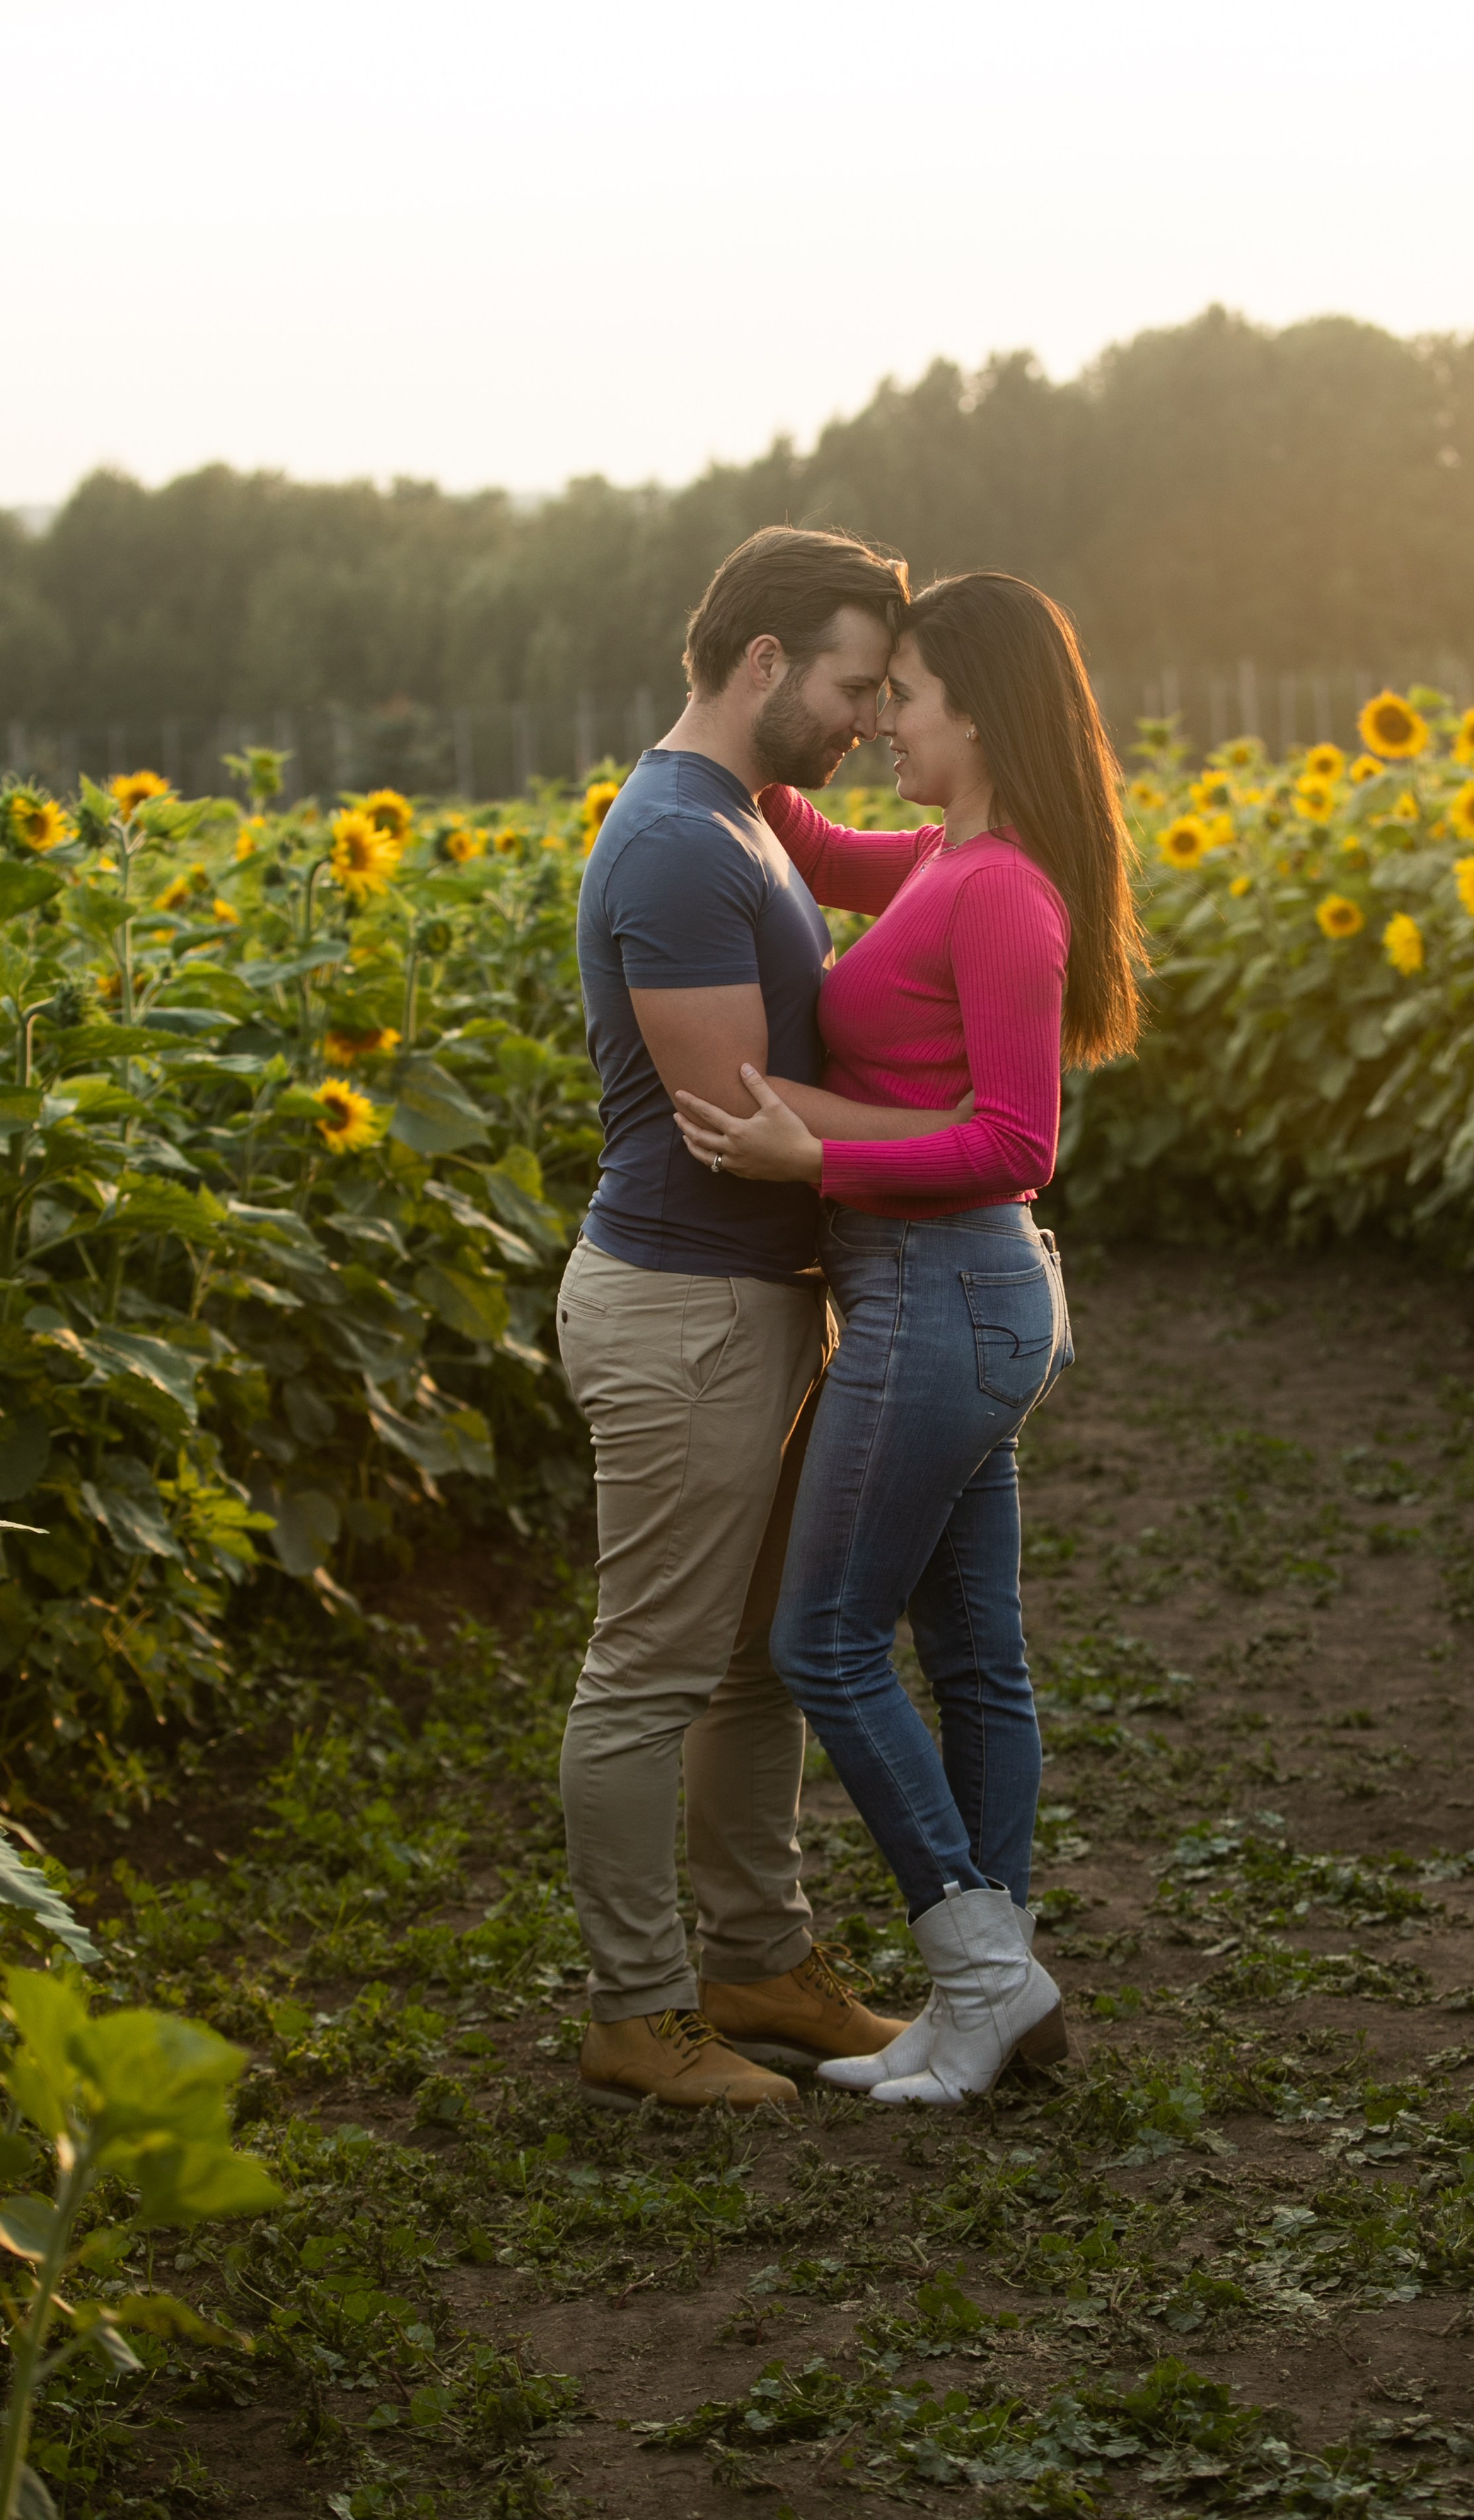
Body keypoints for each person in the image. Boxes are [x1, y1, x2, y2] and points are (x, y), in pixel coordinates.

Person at [673, 571, 1144, 2103]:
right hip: (941, 1296)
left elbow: (1017, 1141)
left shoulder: (1002, 889)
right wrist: (718, 703)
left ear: (981, 716)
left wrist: (822, 1162)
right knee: (969, 1655)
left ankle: (982, 1974)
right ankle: (976, 2006)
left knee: (822, 1637)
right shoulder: (947, 858)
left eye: (910, 698)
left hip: (941, 1289)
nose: (882, 723)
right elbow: (798, 828)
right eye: (872, 698)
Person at [561, 523, 980, 2112]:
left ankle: (755, 1961)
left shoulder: (741, 818)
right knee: (649, 1672)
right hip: (679, 1308)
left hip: (749, 1300)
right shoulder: (676, 841)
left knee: (752, 1668)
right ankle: (639, 2011)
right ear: (760, 668)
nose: (872, 719)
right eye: (854, 687)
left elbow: (926, 867)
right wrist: (963, 1125)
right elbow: (727, 1109)